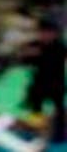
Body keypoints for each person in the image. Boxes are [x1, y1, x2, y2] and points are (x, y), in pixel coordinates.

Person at [22, 17, 65, 145]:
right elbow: (25, 62)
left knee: (58, 110)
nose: (45, 36)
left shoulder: (60, 46)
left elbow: (57, 60)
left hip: (56, 83)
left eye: (48, 33)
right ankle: (36, 132)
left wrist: (39, 54)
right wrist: (27, 55)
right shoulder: (34, 45)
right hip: (38, 83)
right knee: (35, 109)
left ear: (55, 33)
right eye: (42, 32)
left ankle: (59, 134)